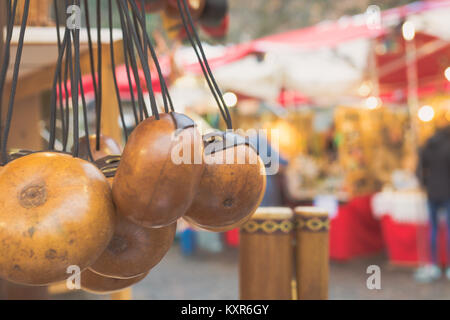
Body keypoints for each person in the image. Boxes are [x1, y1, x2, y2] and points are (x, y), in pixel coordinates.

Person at [415, 125, 450, 282]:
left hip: (431, 192)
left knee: (433, 229)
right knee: (449, 230)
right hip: (447, 192)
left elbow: (419, 171)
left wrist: (426, 185)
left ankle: (433, 264)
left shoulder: (427, 146)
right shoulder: (448, 146)